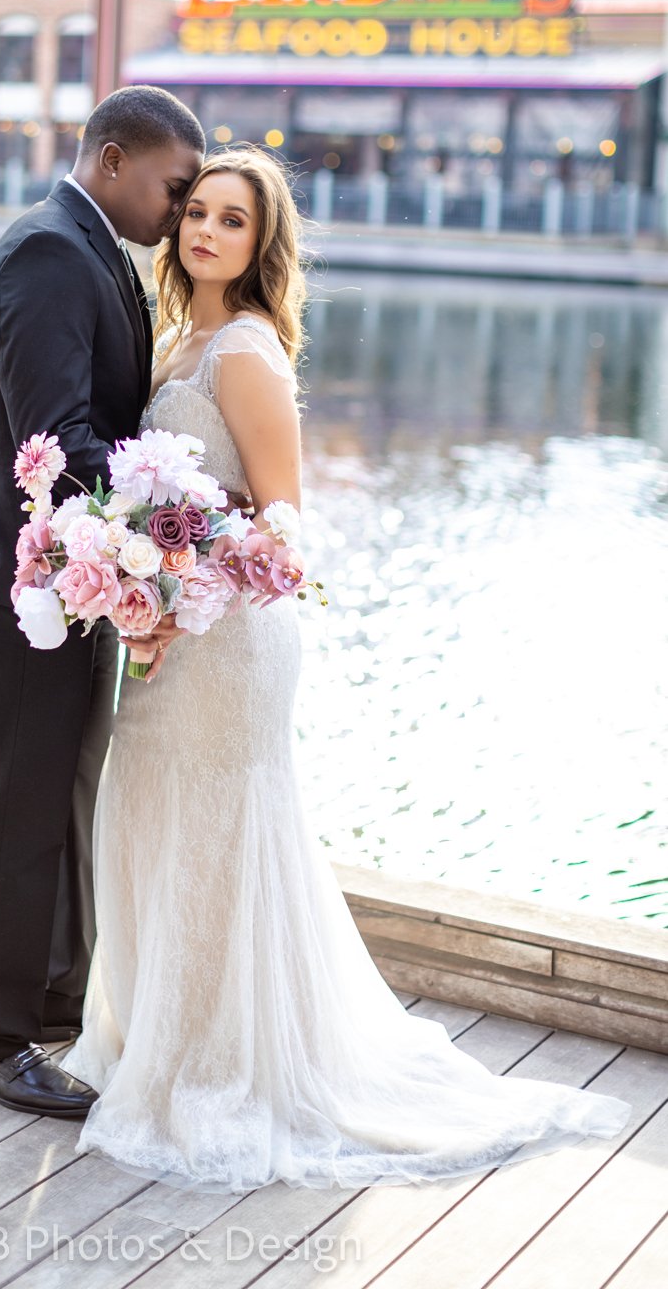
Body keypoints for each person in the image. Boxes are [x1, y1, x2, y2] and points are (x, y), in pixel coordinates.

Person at [60, 144, 632, 1190]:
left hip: (228, 639)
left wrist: (183, 576)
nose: (205, 232)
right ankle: (153, 1041)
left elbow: (280, 522)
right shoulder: (173, 336)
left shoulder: (243, 351)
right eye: (197, 212)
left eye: (232, 220)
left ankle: (221, 1067)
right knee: (148, 817)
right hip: (161, 633)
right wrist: (133, 571)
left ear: (259, 243)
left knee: (221, 836)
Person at [0, 85, 205, 1118]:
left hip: (64, 575)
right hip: (21, 575)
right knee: (13, 803)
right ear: (110, 160)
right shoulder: (50, 253)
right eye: (174, 186)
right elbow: (55, 446)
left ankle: (47, 1000)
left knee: (58, 792)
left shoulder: (90, 250)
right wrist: (181, 521)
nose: (180, 211)